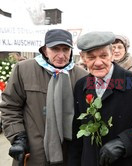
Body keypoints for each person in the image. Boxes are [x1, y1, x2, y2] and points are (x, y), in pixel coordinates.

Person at [68, 31, 132, 166]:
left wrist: (124, 143)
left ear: (112, 54)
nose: (98, 62)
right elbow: (77, 134)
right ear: (83, 57)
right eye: (91, 57)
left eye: (103, 55)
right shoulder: (81, 86)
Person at [0, 29, 88, 166]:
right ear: (45, 50)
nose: (61, 55)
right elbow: (10, 106)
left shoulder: (82, 76)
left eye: (65, 49)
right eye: (55, 49)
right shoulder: (23, 70)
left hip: (69, 154)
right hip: (33, 153)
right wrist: (18, 137)